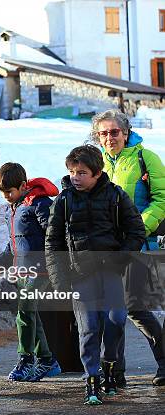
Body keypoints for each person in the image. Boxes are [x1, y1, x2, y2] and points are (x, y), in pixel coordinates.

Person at [45, 145, 145, 405]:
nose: (75, 177)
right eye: (72, 172)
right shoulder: (64, 200)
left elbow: (136, 230)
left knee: (116, 319)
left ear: (97, 173)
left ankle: (109, 364)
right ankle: (91, 377)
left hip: (111, 272)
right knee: (88, 327)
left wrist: (120, 258)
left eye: (82, 172)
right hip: (79, 274)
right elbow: (52, 242)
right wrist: (59, 281)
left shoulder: (116, 196)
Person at [90, 109, 165, 387]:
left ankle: (163, 361)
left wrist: (138, 228)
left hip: (139, 245)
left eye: (114, 132)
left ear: (126, 132)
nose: (109, 138)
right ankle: (116, 371)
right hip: (109, 248)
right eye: (103, 133)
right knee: (113, 307)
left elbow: (161, 199)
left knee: (133, 306)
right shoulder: (98, 164)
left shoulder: (147, 158)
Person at [0, 163, 61, 382]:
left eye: (9, 192)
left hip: (40, 268)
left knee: (24, 311)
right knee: (30, 313)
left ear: (23, 185)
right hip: (23, 269)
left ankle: (26, 360)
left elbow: (53, 234)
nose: (6, 197)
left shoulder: (38, 203)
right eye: (2, 194)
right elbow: (14, 243)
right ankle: (47, 360)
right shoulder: (16, 207)